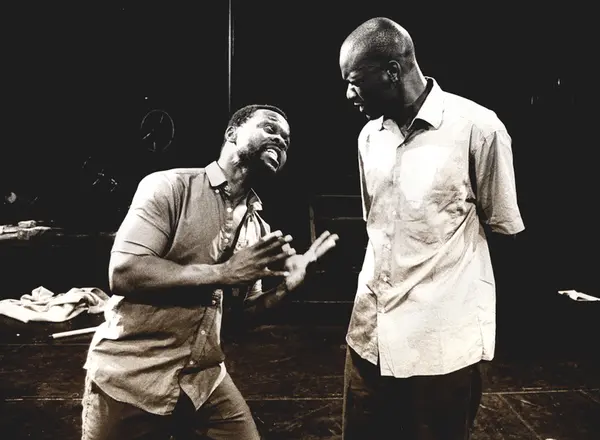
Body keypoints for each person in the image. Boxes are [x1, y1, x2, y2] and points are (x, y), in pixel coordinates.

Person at [80, 104, 339, 440]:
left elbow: (238, 318)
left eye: (287, 140)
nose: (281, 140)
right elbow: (124, 272)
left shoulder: (258, 228)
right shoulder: (170, 186)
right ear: (232, 133)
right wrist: (224, 273)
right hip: (132, 375)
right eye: (270, 128)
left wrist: (287, 287)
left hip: (202, 380)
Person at [339, 17, 525, 440]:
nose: (348, 94)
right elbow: (378, 227)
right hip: (369, 340)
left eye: (355, 82)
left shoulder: (478, 128)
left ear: (392, 71)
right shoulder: (369, 137)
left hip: (440, 349)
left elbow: (505, 231)